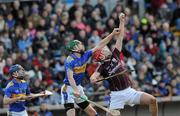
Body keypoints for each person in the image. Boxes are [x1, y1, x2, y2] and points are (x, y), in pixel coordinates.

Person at [90, 13, 158, 116]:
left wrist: (121, 21)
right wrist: (93, 79)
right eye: (104, 49)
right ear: (102, 56)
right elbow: (94, 76)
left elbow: (120, 37)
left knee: (152, 100)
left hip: (129, 91)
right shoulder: (101, 67)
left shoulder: (115, 56)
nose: (106, 48)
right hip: (116, 96)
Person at [61, 28, 121, 116]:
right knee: (71, 113)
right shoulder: (69, 61)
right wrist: (75, 90)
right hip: (69, 89)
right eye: (80, 44)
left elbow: (100, 45)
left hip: (77, 88)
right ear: (75, 48)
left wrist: (112, 34)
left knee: (92, 112)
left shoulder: (85, 54)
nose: (82, 45)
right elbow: (70, 78)